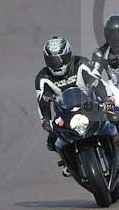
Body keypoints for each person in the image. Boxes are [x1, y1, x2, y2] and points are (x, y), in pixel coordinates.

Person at [35, 37, 108, 173]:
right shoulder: (43, 77)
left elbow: (98, 82)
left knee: (114, 116)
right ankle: (68, 161)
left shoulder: (81, 63)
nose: (58, 64)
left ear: (68, 55)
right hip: (65, 113)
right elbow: (42, 101)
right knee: (52, 141)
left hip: (89, 106)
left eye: (61, 58)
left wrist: (106, 99)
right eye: (53, 60)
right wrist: (45, 120)